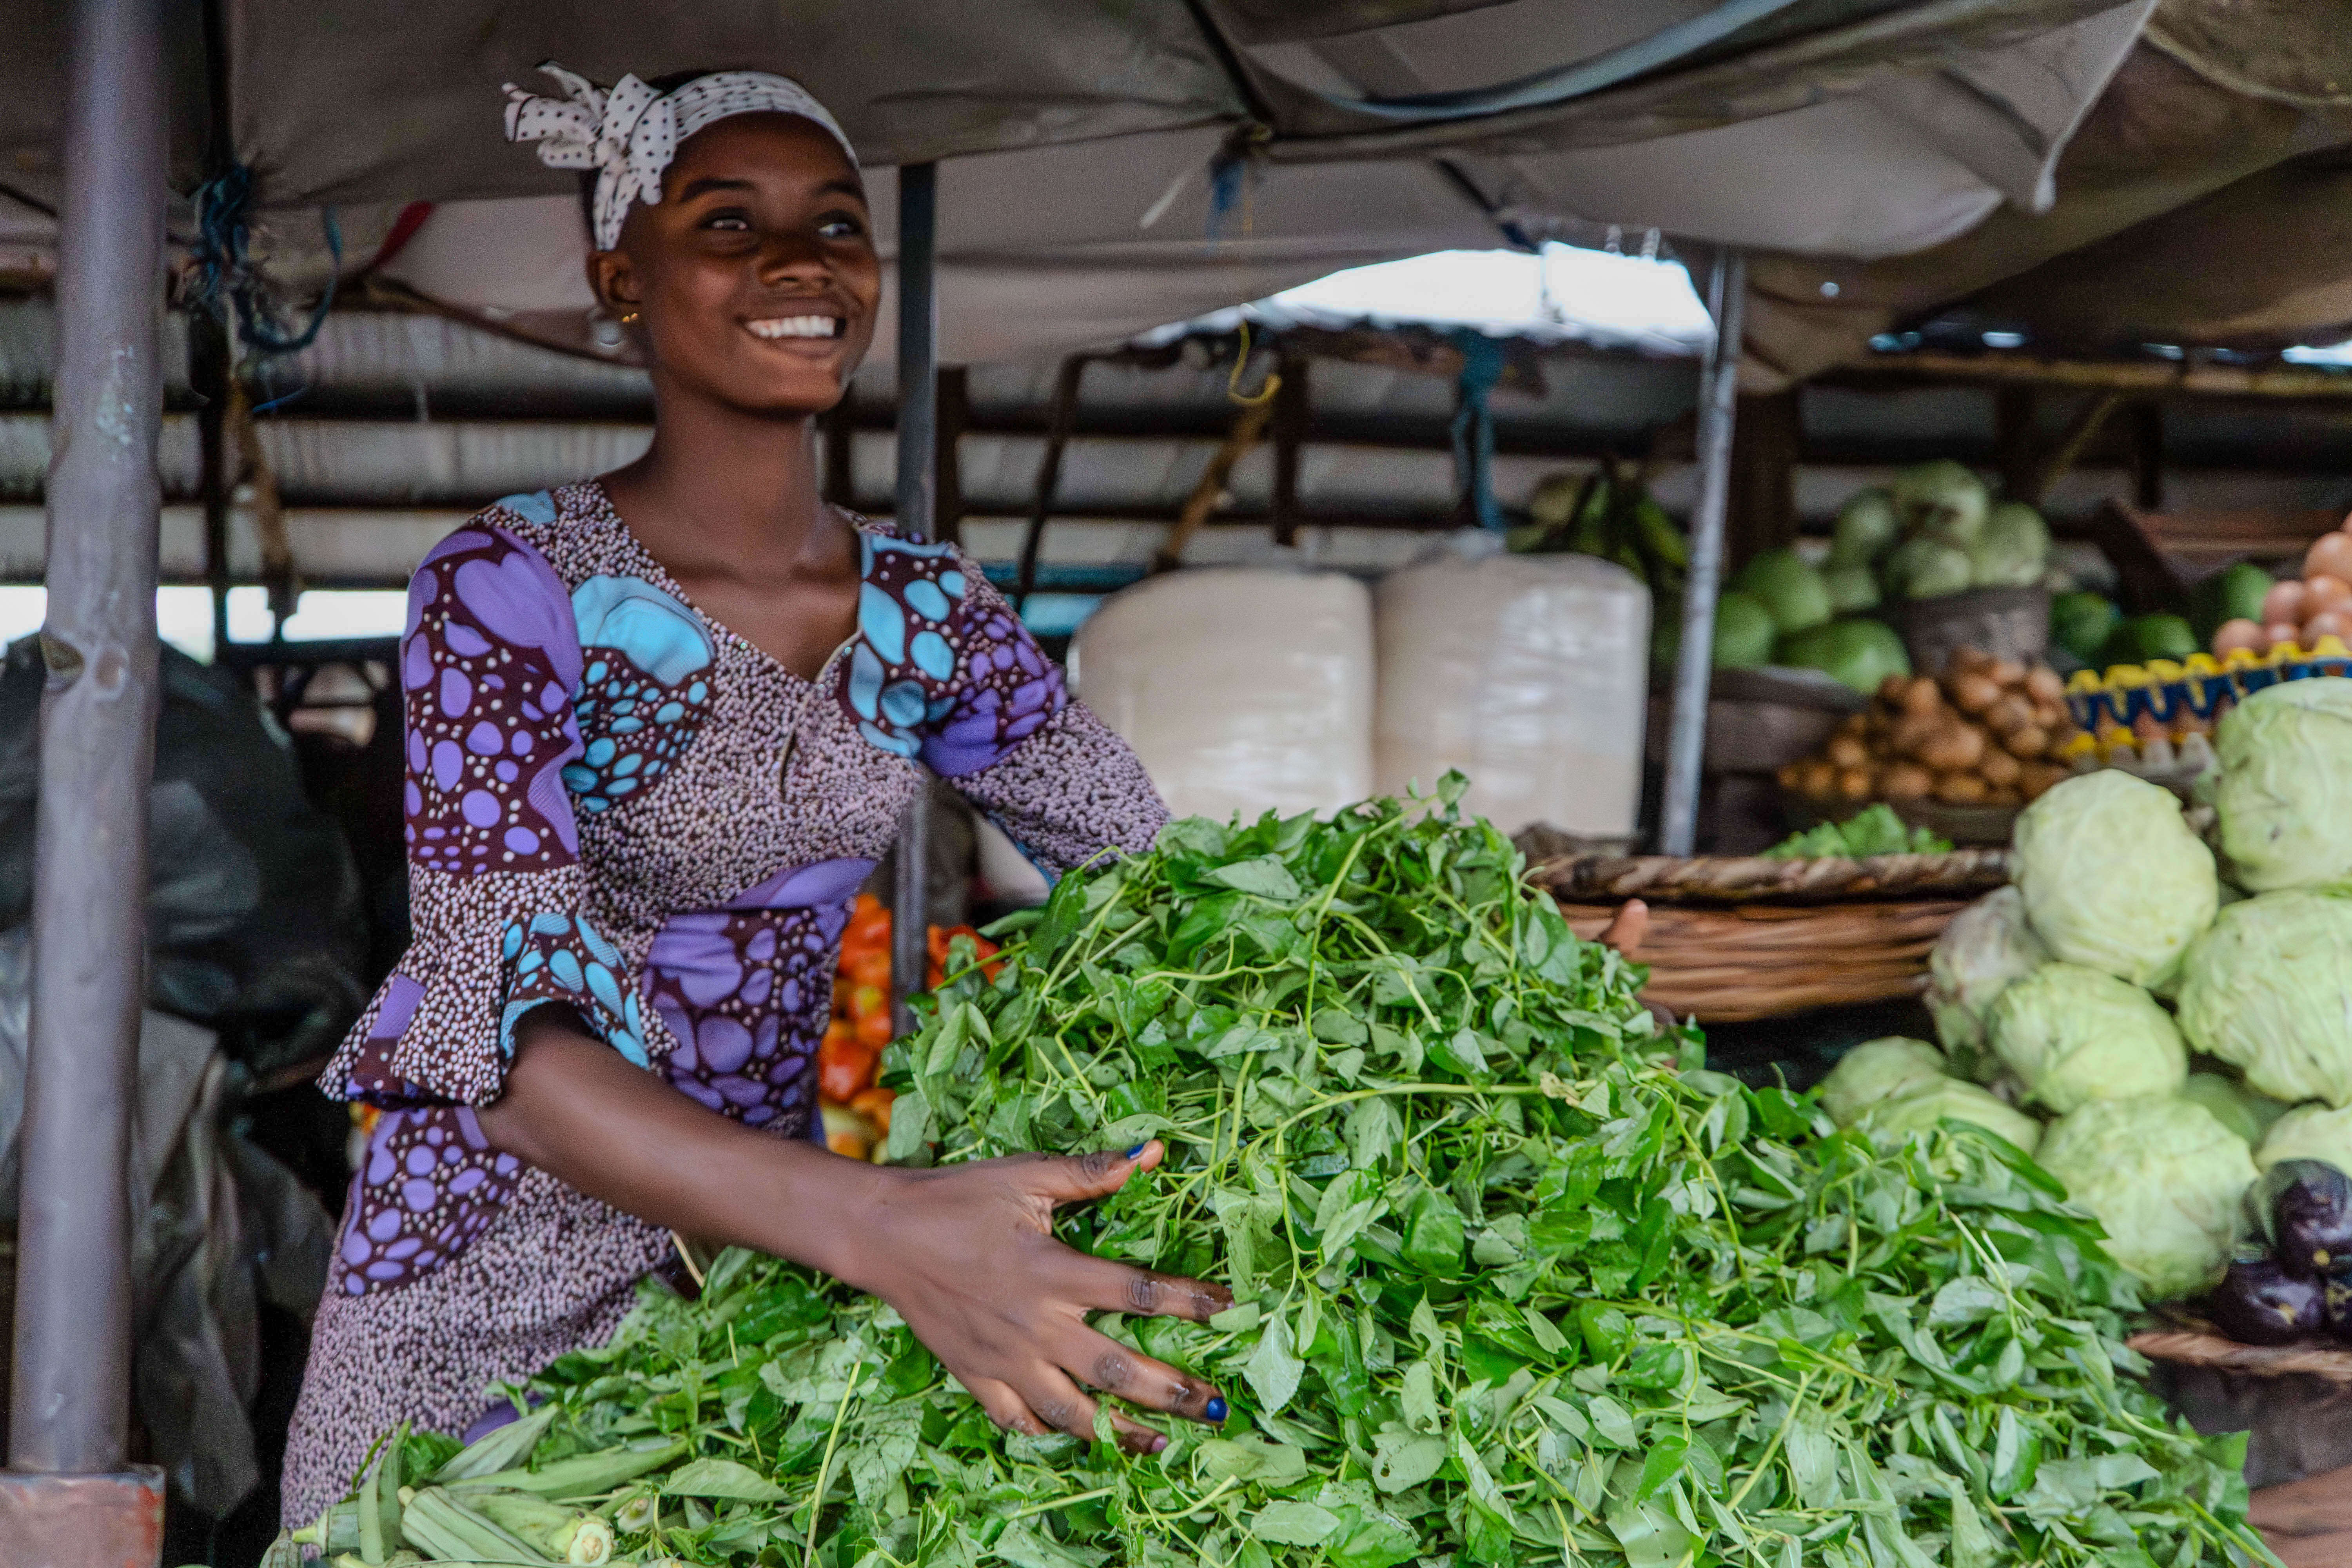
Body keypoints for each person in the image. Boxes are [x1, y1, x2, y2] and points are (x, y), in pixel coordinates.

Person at [281, 62, 1653, 1524]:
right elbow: (509, 1047)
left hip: (750, 1296)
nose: (798, 262)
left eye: (834, 224)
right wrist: (895, 1233)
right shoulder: (507, 589)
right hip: (481, 1284)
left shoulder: (925, 610)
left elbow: (1164, 883)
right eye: (727, 225)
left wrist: (1484, 980)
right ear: (624, 277)